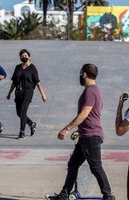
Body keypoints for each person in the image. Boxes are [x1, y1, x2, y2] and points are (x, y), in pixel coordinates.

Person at [46, 64, 115, 200]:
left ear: (84, 74)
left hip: (91, 136)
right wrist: (80, 131)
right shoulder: (94, 90)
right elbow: (90, 116)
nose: (80, 76)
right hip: (86, 135)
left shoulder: (91, 91)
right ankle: (64, 195)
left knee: (95, 167)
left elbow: (84, 114)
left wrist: (66, 129)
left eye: (80, 73)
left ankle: (108, 196)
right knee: (73, 165)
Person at [7, 49, 47, 139]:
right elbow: (14, 81)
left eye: (25, 55)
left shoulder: (32, 68)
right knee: (19, 113)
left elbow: (37, 82)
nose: (24, 57)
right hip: (18, 92)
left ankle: (22, 131)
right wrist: (9, 93)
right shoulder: (17, 67)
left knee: (23, 111)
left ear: (29, 56)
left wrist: (43, 94)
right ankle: (31, 124)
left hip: (28, 91)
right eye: (22, 56)